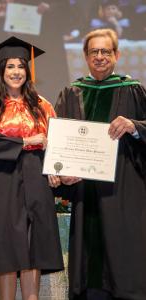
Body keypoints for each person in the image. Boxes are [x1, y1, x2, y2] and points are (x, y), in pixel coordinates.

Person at [0, 36, 64, 300]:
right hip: (1, 178)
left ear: (28, 72)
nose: (16, 72)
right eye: (10, 67)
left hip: (36, 176)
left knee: (34, 243)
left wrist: (55, 167)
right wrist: (27, 140)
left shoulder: (42, 106)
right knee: (6, 242)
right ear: (1, 71)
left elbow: (56, 144)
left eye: (21, 67)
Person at [55, 28, 146, 300]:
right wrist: (61, 174)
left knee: (125, 262)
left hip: (125, 193)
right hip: (86, 195)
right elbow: (58, 143)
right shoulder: (72, 93)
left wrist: (135, 126)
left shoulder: (133, 91)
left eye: (106, 51)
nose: (99, 56)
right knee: (89, 271)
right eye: (93, 51)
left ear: (116, 55)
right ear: (85, 56)